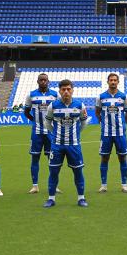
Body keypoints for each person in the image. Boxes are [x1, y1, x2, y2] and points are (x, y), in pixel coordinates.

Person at [43, 79, 89, 208]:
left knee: (78, 172)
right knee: (53, 171)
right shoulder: (53, 106)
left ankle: (81, 198)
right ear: (60, 91)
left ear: (72, 90)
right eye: (63, 89)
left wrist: (77, 133)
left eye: (69, 89)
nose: (66, 92)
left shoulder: (80, 105)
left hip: (74, 145)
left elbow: (84, 122)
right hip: (57, 145)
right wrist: (55, 133)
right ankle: (51, 199)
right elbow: (47, 123)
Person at [96, 73, 127, 193]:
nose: (113, 82)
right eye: (111, 80)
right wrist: (103, 123)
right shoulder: (101, 97)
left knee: (122, 158)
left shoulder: (123, 96)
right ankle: (104, 185)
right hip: (106, 134)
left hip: (120, 133)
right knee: (104, 158)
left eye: (115, 80)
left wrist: (122, 124)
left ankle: (124, 184)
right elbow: (97, 112)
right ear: (107, 81)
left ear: (118, 82)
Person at [23, 73, 58, 194]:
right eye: (41, 80)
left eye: (45, 80)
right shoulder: (31, 95)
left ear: (48, 81)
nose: (43, 82)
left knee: (52, 159)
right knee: (35, 158)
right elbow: (26, 112)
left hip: (51, 132)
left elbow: (59, 110)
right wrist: (34, 121)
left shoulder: (55, 95)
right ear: (37, 81)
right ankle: (35, 185)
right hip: (37, 132)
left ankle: (54, 185)